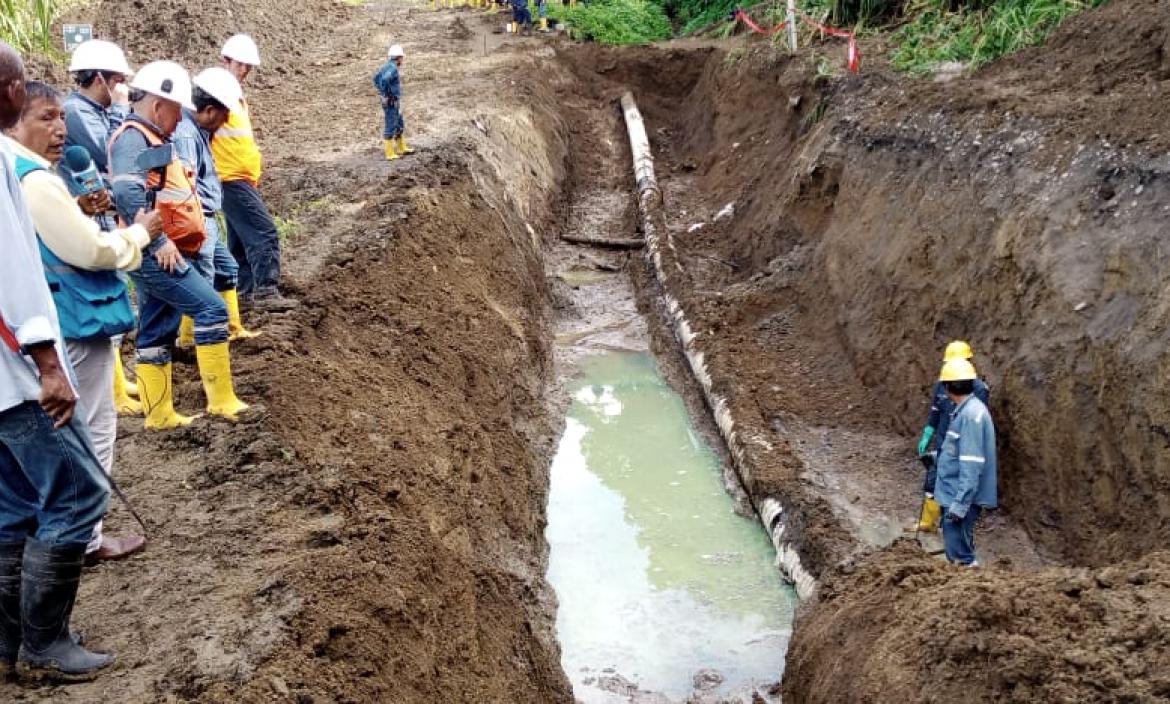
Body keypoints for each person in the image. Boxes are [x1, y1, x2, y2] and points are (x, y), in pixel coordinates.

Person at [5, 80, 164, 563]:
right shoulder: (32, 178)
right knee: (93, 422)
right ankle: (87, 539)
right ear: (13, 115)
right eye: (46, 117)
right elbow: (91, 251)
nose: (60, 129)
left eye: (61, 118)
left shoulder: (13, 169)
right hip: (66, 321)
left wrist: (72, 210)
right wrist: (139, 233)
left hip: (33, 332)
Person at [0, 40, 115, 681]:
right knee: (78, 493)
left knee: (15, 505)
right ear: (12, 92)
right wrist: (48, 362)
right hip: (17, 372)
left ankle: (10, 643)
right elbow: (12, 273)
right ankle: (44, 645)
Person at [108, 60, 251, 429]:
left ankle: (159, 415)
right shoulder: (133, 137)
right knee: (211, 310)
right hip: (155, 252)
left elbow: (160, 191)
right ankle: (222, 401)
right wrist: (158, 242)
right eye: (177, 110)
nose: (180, 119)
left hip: (161, 247)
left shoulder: (152, 138)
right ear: (158, 106)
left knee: (157, 328)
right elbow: (126, 190)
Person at [59, 39, 142, 415]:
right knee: (102, 296)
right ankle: (112, 392)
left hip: (101, 211)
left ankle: (116, 380)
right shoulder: (77, 112)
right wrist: (123, 108)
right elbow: (108, 149)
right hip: (86, 215)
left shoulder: (92, 108)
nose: (121, 86)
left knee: (113, 292)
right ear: (98, 79)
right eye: (117, 80)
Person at [173, 67, 259, 345]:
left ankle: (233, 327)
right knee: (201, 282)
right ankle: (190, 341)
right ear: (209, 110)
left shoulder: (197, 130)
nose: (224, 124)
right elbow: (184, 184)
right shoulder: (186, 134)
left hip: (206, 216)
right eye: (223, 117)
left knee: (227, 268)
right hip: (196, 218)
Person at [212, 34, 297, 311]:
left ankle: (244, 292)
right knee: (264, 232)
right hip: (230, 178)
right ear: (225, 61)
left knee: (239, 240)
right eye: (240, 64)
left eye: (249, 66)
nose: (245, 70)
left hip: (241, 178)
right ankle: (266, 291)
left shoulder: (235, 95)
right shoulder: (217, 94)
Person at [914, 340, 990, 531]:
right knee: (933, 481)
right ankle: (928, 523)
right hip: (942, 442)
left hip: (962, 446)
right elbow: (935, 411)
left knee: (957, 484)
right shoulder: (942, 384)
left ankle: (952, 526)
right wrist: (928, 433)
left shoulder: (979, 389)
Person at [933, 358, 998, 567]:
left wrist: (960, 504)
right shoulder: (967, 410)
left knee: (961, 555)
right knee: (958, 548)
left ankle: (967, 583)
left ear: (948, 386)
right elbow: (959, 451)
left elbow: (971, 464)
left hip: (959, 497)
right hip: (955, 493)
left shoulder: (970, 416)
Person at [373, 45, 415, 161]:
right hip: (391, 102)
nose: (402, 60)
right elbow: (384, 80)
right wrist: (386, 93)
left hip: (393, 101)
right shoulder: (393, 68)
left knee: (399, 123)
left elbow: (375, 78)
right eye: (402, 57)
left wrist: (381, 91)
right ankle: (390, 153)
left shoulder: (385, 66)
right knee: (391, 125)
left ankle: (402, 147)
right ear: (399, 57)